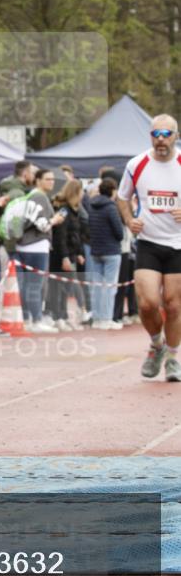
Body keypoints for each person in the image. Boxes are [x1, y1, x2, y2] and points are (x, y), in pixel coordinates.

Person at [116, 114, 181, 381]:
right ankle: (156, 345)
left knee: (174, 305)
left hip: (179, 244)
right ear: (150, 136)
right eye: (156, 134)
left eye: (167, 134)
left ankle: (173, 357)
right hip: (149, 242)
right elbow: (122, 198)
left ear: (176, 136)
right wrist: (130, 220)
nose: (161, 140)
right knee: (147, 303)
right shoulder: (137, 164)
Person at [15, 168, 65, 333]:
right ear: (38, 180)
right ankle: (36, 319)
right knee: (35, 285)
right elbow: (42, 224)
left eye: (52, 179)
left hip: (24, 244)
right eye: (47, 179)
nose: (51, 182)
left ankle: (28, 317)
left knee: (27, 284)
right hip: (36, 245)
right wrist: (55, 220)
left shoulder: (29, 196)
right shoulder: (40, 197)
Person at [47, 179, 85, 330]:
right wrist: (64, 257)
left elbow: (76, 234)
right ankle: (58, 317)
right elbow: (60, 236)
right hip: (61, 254)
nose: (82, 195)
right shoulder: (64, 210)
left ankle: (64, 316)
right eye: (81, 191)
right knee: (58, 287)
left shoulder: (74, 210)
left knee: (66, 287)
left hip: (71, 253)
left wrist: (79, 253)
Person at [88, 177, 124, 330]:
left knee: (97, 286)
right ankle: (107, 318)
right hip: (111, 251)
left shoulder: (91, 205)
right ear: (113, 191)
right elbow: (119, 232)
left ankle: (97, 318)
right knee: (109, 287)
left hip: (95, 249)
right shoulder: (111, 207)